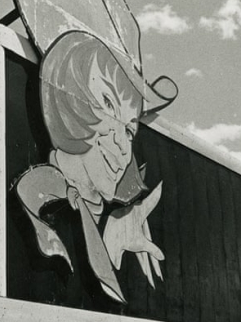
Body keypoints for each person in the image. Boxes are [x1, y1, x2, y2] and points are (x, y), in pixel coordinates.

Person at [15, 30, 164, 304]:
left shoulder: (109, 223)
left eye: (130, 131)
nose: (122, 143)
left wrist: (114, 235)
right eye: (108, 104)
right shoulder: (41, 194)